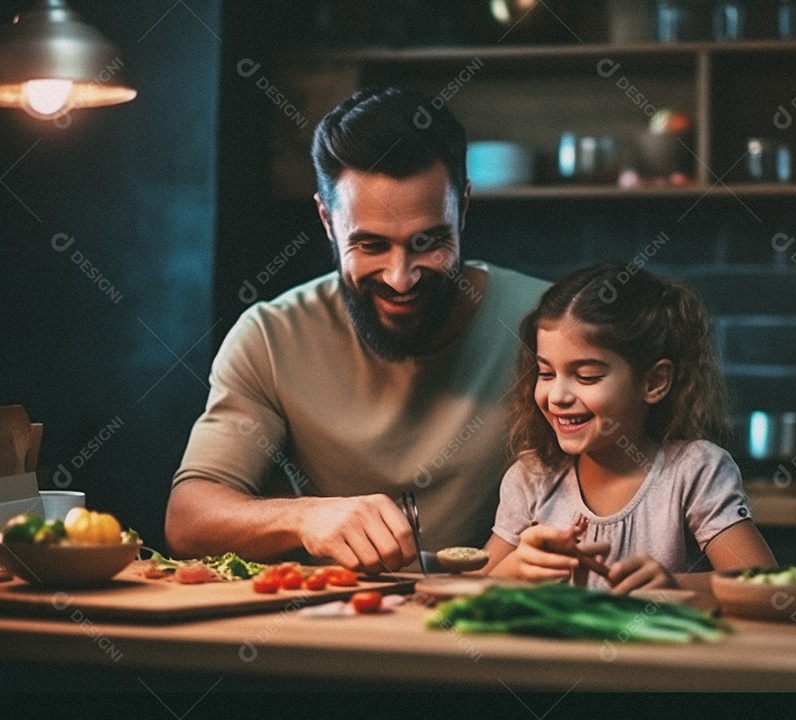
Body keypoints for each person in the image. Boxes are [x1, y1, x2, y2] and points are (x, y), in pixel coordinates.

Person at [165, 85, 548, 573]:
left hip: (495, 626)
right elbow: (188, 519)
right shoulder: (271, 337)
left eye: (427, 242)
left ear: (464, 207)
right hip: (334, 627)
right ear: (327, 220)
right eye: (370, 245)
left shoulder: (548, 325)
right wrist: (306, 517)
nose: (400, 276)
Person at [482, 262, 776, 594]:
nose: (557, 397)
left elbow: (763, 582)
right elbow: (463, 589)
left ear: (654, 382)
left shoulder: (694, 471)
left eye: (587, 377)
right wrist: (509, 572)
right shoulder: (531, 477)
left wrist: (673, 583)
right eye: (546, 374)